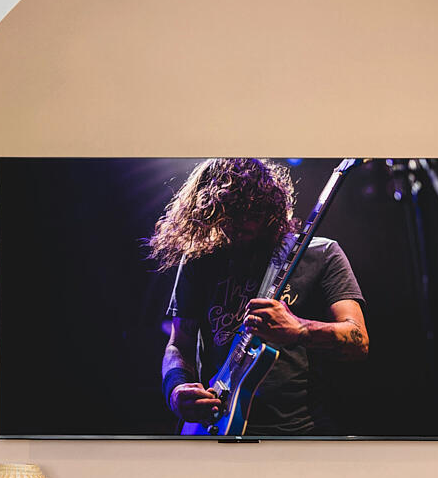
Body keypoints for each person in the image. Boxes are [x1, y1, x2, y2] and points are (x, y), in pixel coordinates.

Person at [149, 157, 367, 435]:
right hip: (214, 427)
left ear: (268, 206)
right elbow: (179, 343)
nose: (236, 225)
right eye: (226, 214)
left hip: (298, 431)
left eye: (246, 213)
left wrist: (299, 330)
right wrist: (176, 389)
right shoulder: (199, 258)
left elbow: (358, 340)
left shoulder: (321, 254)